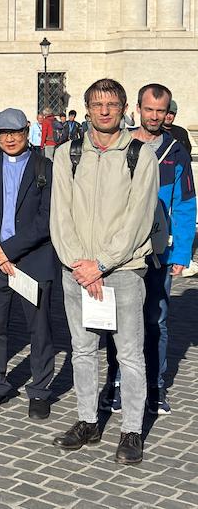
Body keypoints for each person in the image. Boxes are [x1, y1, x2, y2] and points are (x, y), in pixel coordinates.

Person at [50, 78, 158, 465]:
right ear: (88, 108)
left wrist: (102, 264)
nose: (105, 111)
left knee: (129, 354)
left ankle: (131, 428)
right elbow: (59, 215)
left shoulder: (140, 155)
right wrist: (79, 263)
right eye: (97, 104)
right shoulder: (67, 153)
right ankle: (87, 421)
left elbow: (138, 218)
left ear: (124, 107)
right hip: (76, 271)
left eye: (112, 104)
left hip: (123, 271)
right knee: (82, 350)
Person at [101, 84, 195, 416]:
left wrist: (182, 253)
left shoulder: (177, 151)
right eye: (149, 109)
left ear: (167, 112)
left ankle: (154, 386)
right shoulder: (120, 144)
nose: (154, 116)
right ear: (137, 109)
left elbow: (185, 205)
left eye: (161, 110)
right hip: (122, 251)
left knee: (156, 321)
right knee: (118, 322)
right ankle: (115, 383)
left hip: (158, 251)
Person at [0, 109, 56, 420]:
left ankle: (40, 390)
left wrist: (9, 251)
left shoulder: (44, 167)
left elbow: (46, 218)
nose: (9, 138)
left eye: (15, 132)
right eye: (3, 133)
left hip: (32, 259)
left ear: (26, 130)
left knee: (39, 328)